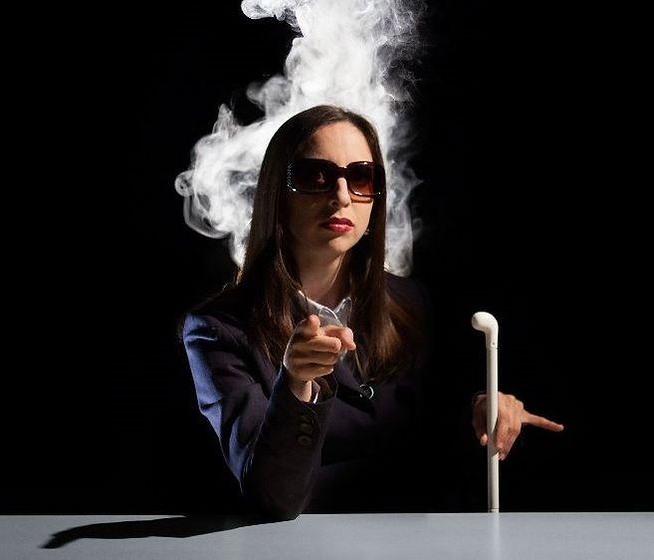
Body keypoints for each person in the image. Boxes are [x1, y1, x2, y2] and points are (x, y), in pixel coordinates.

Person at [181, 105, 563, 520]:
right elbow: (271, 496)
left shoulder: (409, 302)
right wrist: (295, 385)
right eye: (316, 176)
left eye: (361, 177)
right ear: (278, 192)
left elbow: (431, 433)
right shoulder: (217, 329)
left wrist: (483, 408)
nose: (342, 196)